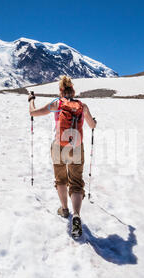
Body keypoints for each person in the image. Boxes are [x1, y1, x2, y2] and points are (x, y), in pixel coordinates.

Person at [28, 76, 97, 238]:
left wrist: (31, 100)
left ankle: (64, 209)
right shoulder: (82, 106)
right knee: (76, 181)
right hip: (77, 147)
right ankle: (77, 215)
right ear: (73, 90)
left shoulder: (56, 104)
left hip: (59, 146)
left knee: (61, 179)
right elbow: (92, 125)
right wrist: (94, 121)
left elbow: (33, 112)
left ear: (60, 91)